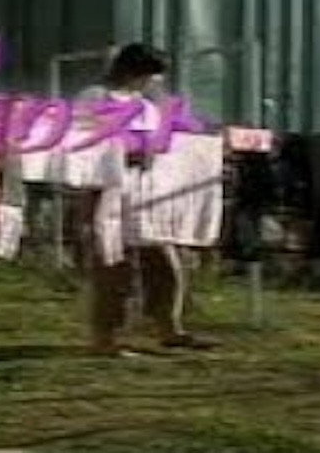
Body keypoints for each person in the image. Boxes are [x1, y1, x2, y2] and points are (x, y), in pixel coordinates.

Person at [74, 43, 217, 356]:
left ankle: (169, 327)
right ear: (137, 73)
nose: (156, 82)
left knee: (164, 261)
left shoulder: (145, 106)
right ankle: (105, 337)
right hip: (106, 192)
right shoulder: (95, 97)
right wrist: (126, 150)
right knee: (113, 265)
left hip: (145, 193)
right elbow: (84, 139)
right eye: (153, 75)